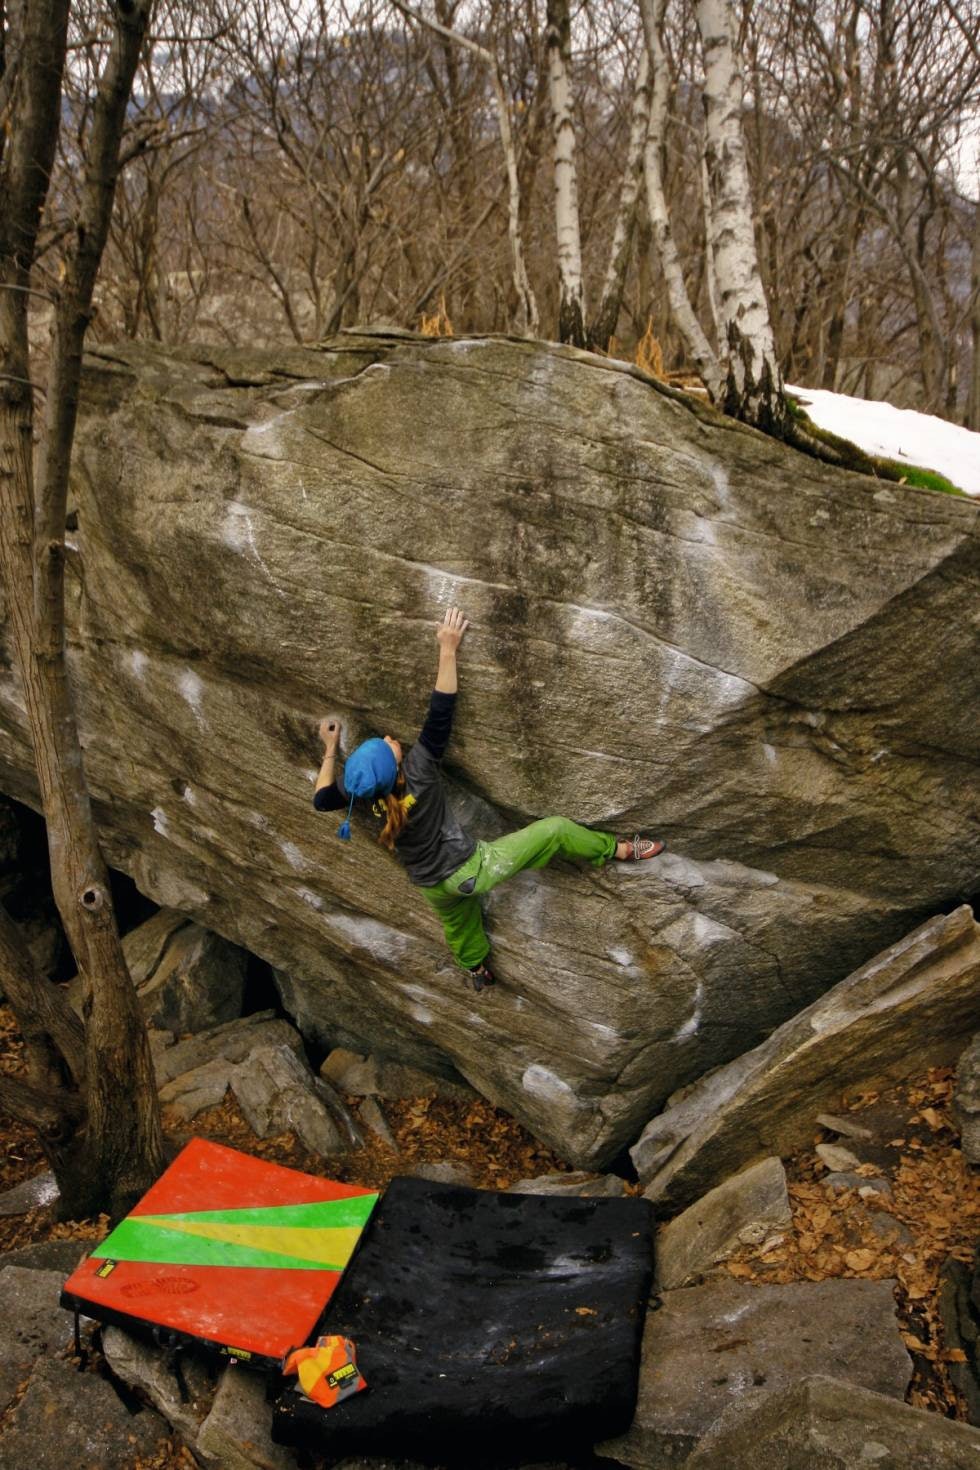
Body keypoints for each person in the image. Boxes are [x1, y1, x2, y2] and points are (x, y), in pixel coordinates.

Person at [312, 607, 665, 992]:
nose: (389, 739)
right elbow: (440, 711)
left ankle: (476, 969)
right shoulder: (420, 772)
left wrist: (330, 748)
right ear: (398, 768)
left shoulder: (364, 793)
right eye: (388, 747)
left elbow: (323, 799)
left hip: (430, 884)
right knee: (557, 830)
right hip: (469, 870)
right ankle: (619, 849)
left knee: (459, 924)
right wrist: (448, 648)